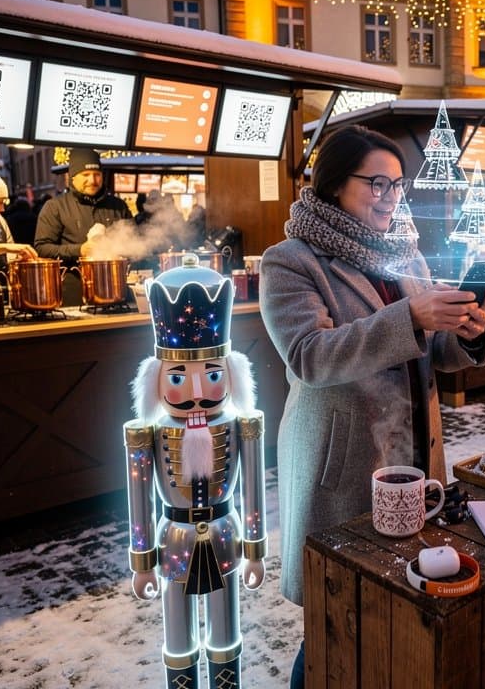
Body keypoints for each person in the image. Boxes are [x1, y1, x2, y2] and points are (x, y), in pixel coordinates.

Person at [258, 124, 485, 688]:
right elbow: (309, 356)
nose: (391, 198)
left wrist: (464, 331)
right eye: (377, 185)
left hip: (413, 452)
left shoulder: (403, 252)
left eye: (397, 186)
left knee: (398, 603)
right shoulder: (290, 261)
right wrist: (412, 317)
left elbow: (428, 351)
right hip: (342, 465)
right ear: (336, 184)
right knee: (336, 616)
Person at [126, 256, 266, 688]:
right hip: (173, 542)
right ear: (157, 378)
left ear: (229, 373)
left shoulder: (243, 425)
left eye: (210, 375)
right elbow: (139, 500)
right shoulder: (146, 433)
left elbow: (255, 492)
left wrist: (256, 550)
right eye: (178, 379)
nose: (198, 394)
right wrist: (142, 562)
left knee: (226, 635)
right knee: (178, 638)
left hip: (225, 535)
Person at [34, 147, 131, 304]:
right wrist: (79, 250)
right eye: (85, 175)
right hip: (72, 294)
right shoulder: (55, 207)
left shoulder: (118, 206)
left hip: (115, 290)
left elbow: (134, 242)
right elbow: (42, 248)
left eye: (97, 174)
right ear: (72, 177)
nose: (92, 180)